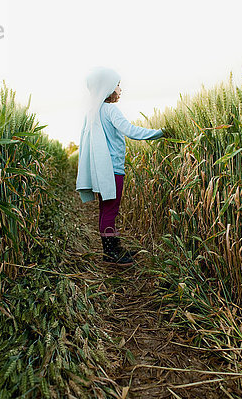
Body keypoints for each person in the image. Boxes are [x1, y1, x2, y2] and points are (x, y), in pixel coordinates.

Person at [76, 66, 165, 266]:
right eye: (117, 84)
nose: (120, 89)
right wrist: (159, 132)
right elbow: (131, 131)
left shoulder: (93, 112)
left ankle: (113, 247)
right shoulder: (110, 110)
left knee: (105, 209)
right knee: (110, 210)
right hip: (112, 171)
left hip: (100, 171)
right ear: (107, 87)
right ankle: (110, 254)